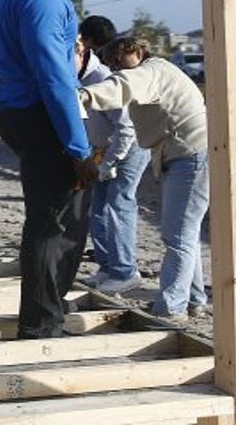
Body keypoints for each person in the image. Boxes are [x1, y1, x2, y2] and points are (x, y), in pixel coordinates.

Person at [0, 0, 101, 339]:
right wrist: (79, 149)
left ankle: (46, 310)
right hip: (38, 108)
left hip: (8, 105)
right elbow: (54, 78)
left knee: (49, 214)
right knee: (57, 221)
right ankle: (42, 324)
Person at [78, 37, 210, 321]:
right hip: (182, 153)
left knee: (178, 235)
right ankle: (194, 299)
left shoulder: (152, 71)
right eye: (112, 64)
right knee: (184, 232)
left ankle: (172, 308)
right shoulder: (153, 72)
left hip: (190, 153)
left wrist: (84, 96)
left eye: (120, 61)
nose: (116, 69)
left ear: (137, 52)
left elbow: (124, 86)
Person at [75, 17, 152, 295]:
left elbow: (127, 127)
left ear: (84, 50)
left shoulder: (104, 79)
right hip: (104, 150)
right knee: (99, 208)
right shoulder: (83, 77)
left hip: (127, 149)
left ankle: (125, 271)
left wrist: (111, 162)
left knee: (119, 205)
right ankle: (107, 267)